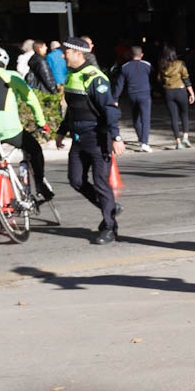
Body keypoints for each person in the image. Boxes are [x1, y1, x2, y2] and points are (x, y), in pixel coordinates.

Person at [0, 45, 51, 233]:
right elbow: (30, 98)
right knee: (34, 149)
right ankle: (39, 185)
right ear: (4, 63)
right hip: (9, 128)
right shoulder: (11, 76)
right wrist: (42, 123)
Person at [53, 36, 122, 244]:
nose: (63, 55)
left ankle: (110, 227)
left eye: (66, 52)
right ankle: (109, 207)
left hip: (97, 138)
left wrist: (116, 136)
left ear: (78, 53)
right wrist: (61, 131)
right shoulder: (71, 76)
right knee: (76, 180)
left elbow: (109, 109)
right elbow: (73, 109)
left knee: (101, 183)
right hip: (78, 139)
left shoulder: (94, 77)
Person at [113, 44, 155, 152]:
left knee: (136, 118)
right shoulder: (147, 65)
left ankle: (141, 139)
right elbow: (153, 79)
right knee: (145, 118)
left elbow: (119, 85)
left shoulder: (125, 67)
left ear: (131, 55)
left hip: (132, 95)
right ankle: (145, 142)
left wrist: (115, 98)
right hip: (145, 94)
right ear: (141, 55)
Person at [155, 44, 195, 149]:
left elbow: (159, 79)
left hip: (168, 92)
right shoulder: (180, 64)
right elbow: (186, 78)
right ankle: (185, 137)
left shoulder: (162, 65)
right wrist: (191, 93)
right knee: (184, 114)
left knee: (173, 117)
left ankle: (178, 142)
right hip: (181, 91)